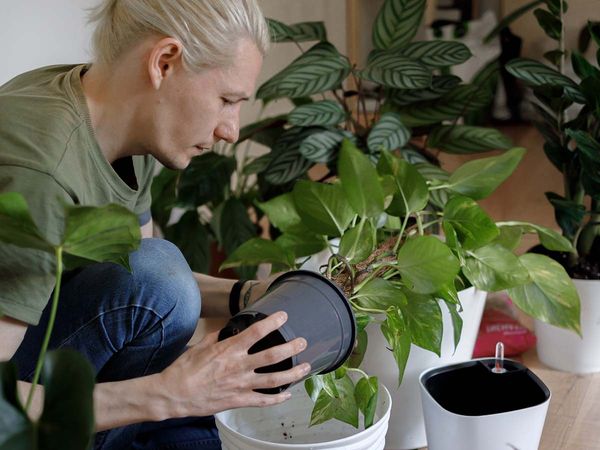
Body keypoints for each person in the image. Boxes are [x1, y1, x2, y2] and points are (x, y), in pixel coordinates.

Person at [0, 1, 309, 449]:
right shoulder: (41, 171)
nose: (231, 131)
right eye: (227, 100)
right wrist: (167, 396)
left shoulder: (124, 126)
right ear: (164, 62)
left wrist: (247, 295)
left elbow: (140, 282)